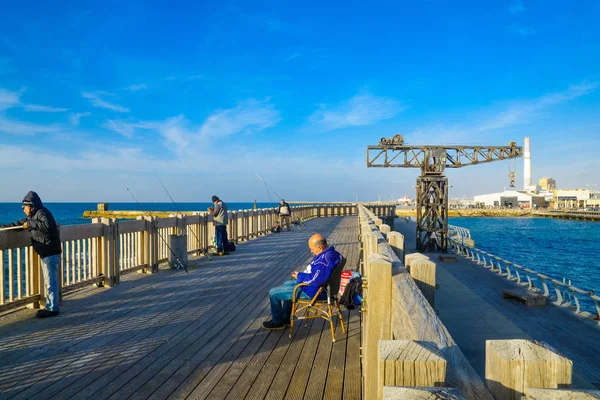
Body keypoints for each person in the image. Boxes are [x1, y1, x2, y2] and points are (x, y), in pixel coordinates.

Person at [0, 191, 61, 318]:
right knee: (50, 281)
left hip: (49, 251)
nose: (23, 209)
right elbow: (17, 224)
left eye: (24, 207)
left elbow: (48, 226)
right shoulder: (33, 216)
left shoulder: (42, 213)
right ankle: (51, 306)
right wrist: (2, 227)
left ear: (31, 206)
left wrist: (30, 224)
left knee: (51, 282)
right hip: (48, 251)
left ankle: (52, 309)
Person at [263, 233, 342, 330]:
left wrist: (299, 275)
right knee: (287, 283)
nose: (311, 251)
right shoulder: (333, 254)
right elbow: (317, 276)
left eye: (312, 249)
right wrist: (301, 275)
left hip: (315, 292)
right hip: (325, 288)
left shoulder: (323, 261)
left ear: (321, 248)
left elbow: (315, 280)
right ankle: (285, 317)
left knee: (273, 293)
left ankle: (277, 322)